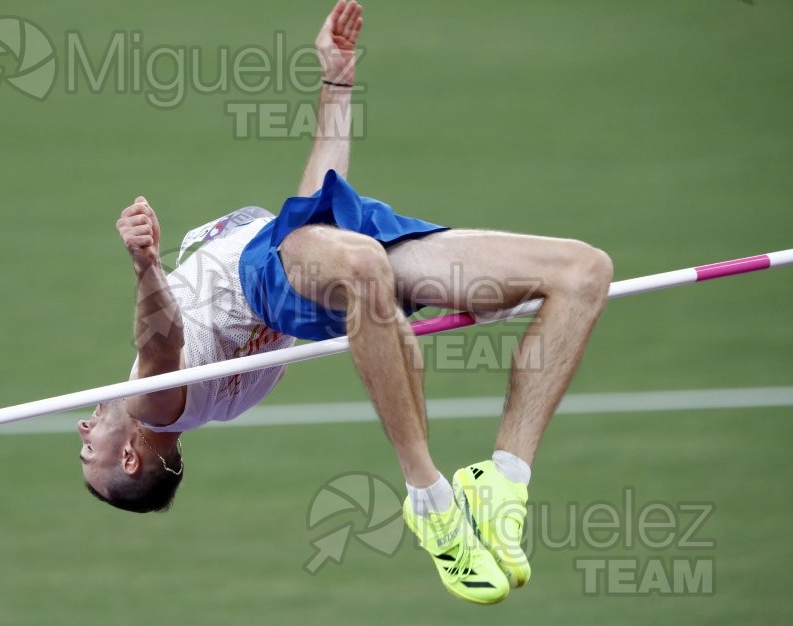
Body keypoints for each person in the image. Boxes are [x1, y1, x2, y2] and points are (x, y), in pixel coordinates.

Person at [77, 0, 612, 605]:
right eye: (86, 448)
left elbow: (314, 206)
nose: (82, 427)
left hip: (329, 261)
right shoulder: (156, 405)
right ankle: (428, 499)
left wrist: (336, 81)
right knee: (362, 264)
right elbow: (163, 340)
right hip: (293, 274)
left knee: (583, 272)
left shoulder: (207, 398)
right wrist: (145, 266)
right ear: (128, 458)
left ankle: (505, 478)